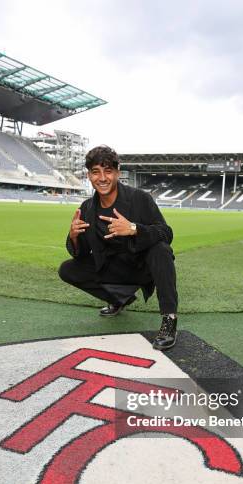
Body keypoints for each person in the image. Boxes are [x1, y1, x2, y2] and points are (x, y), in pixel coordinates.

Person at [58, 145, 178, 350]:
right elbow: (81, 254)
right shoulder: (87, 208)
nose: (102, 178)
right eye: (96, 172)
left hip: (142, 268)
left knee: (161, 250)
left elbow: (166, 233)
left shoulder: (139, 198)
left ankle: (169, 318)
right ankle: (119, 299)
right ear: (89, 175)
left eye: (108, 171)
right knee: (67, 269)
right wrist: (74, 237)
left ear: (117, 173)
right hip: (113, 269)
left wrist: (133, 228)